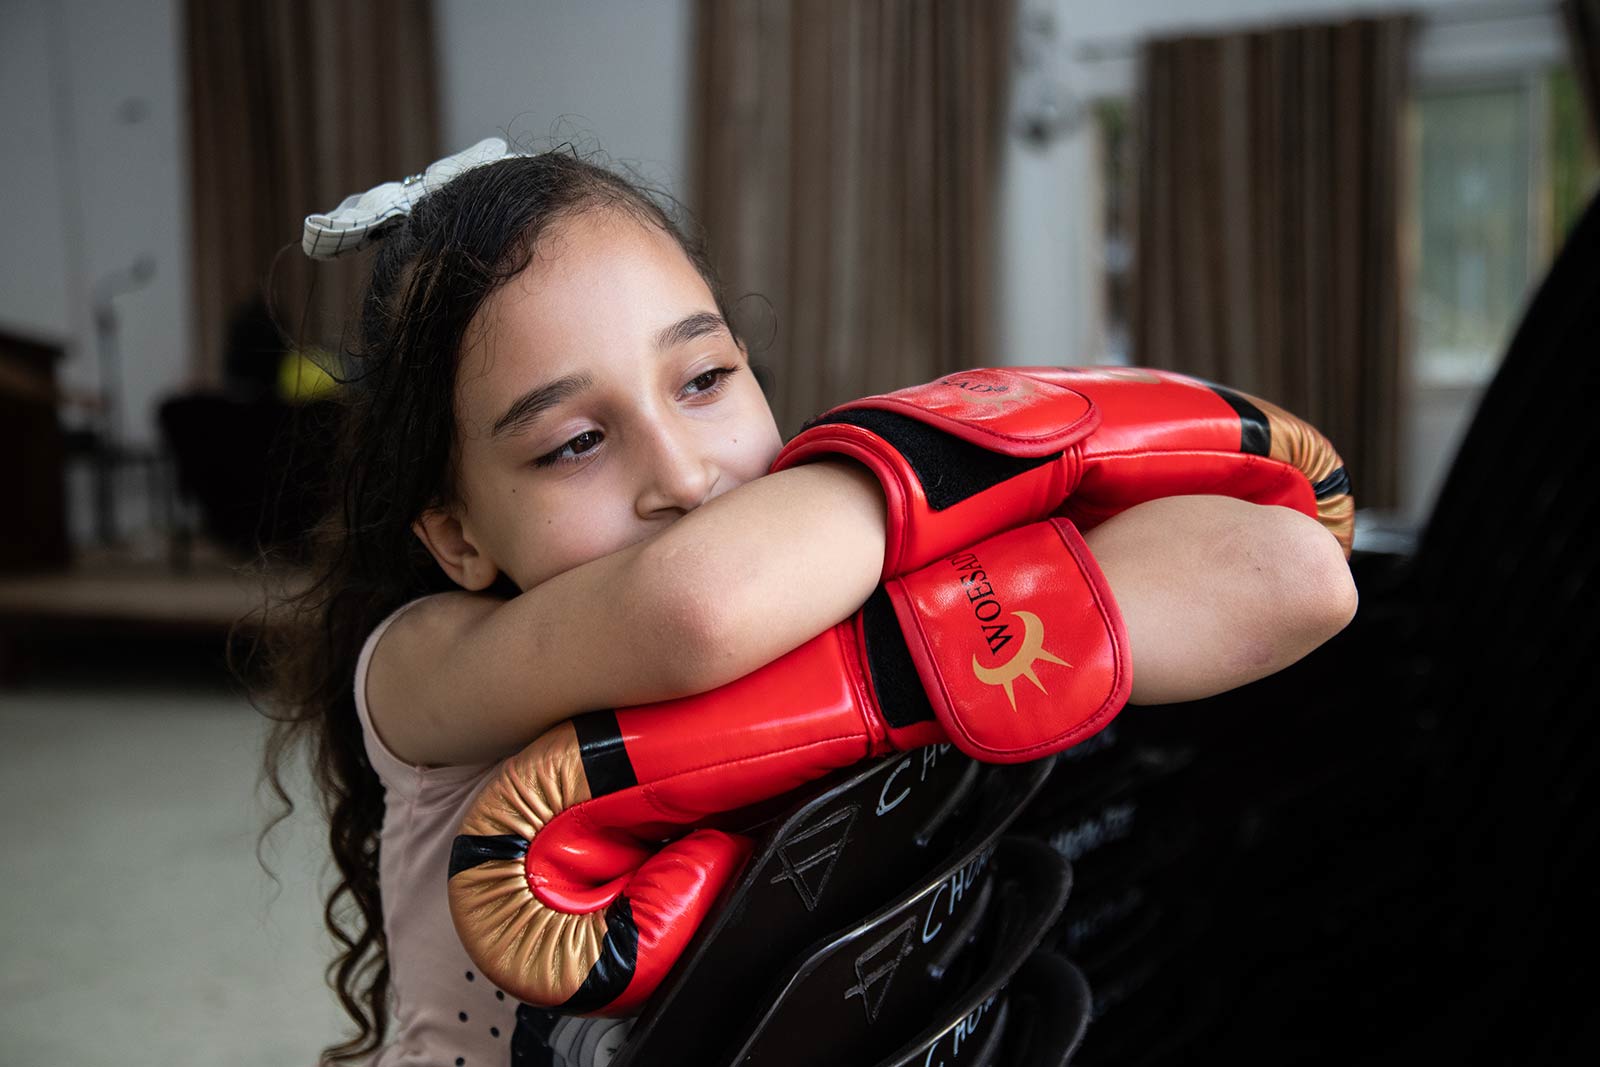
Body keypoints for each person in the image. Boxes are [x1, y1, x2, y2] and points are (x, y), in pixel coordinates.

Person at [256, 143, 1357, 1067]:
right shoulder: (424, 663)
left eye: (704, 380)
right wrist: (963, 471)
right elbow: (695, 608)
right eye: (574, 442)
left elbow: (1293, 570)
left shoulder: (825, 563)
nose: (685, 475)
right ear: (455, 533)